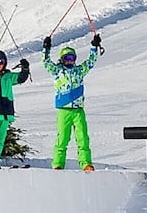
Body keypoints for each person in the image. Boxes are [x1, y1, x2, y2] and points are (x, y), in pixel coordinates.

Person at [42, 34, 103, 171]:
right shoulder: (58, 71)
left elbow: (90, 62)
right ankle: (58, 164)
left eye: (72, 58)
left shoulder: (79, 71)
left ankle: (86, 163)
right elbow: (46, 63)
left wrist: (94, 46)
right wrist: (46, 49)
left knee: (82, 137)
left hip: (78, 110)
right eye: (67, 58)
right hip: (64, 109)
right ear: (62, 59)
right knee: (62, 138)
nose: (70, 61)